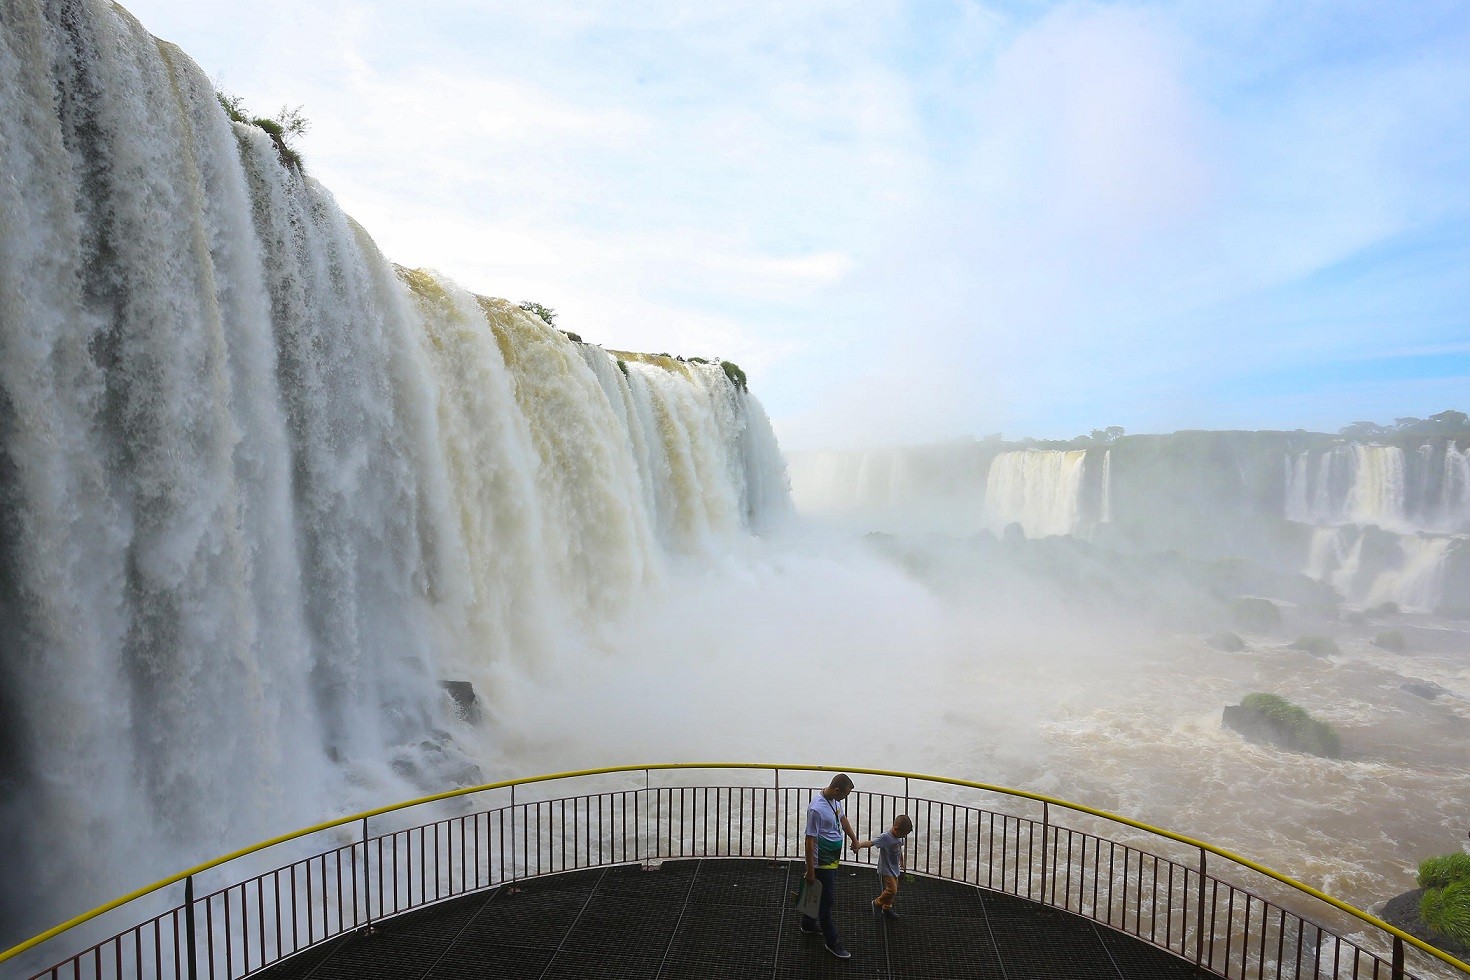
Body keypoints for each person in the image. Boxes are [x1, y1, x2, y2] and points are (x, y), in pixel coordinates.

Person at [802, 773, 859, 959]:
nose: (845, 798)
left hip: (831, 859)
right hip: (822, 862)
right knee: (827, 902)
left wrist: (854, 839)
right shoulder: (816, 809)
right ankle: (832, 941)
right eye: (845, 794)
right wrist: (811, 870)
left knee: (818, 894)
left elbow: (842, 820)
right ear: (836, 790)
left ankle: (808, 924)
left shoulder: (834, 802)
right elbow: (809, 841)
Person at [855, 814, 912, 919]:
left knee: (893, 891)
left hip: (895, 868)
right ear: (896, 829)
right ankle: (877, 903)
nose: (903, 837)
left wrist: (902, 862)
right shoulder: (886, 837)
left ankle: (887, 907)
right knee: (892, 890)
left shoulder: (900, 838)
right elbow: (871, 843)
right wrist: (858, 845)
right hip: (886, 869)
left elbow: (899, 851)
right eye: (903, 834)